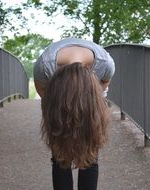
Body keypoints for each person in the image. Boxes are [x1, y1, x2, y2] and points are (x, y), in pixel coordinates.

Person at [33, 38, 115, 190]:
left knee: (89, 153)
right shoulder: (45, 67)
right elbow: (45, 96)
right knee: (60, 154)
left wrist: (87, 103)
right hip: (58, 102)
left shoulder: (105, 64)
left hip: (90, 101)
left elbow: (104, 85)